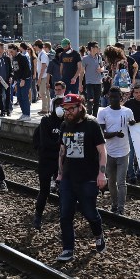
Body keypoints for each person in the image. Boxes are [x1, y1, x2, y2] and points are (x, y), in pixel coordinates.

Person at [55, 94, 107, 262]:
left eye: (71, 109)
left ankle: (98, 236)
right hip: (68, 178)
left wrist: (102, 173)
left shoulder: (92, 125)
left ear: (80, 107)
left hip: (88, 178)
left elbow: (102, 151)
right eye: (65, 109)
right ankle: (68, 249)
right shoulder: (64, 125)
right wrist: (60, 173)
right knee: (65, 215)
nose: (68, 112)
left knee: (90, 213)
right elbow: (62, 152)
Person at [97, 87, 134, 215]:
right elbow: (103, 134)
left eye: (115, 97)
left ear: (121, 97)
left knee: (121, 182)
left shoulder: (128, 112)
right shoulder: (103, 113)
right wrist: (116, 134)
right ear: (108, 97)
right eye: (111, 97)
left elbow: (133, 128)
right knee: (111, 182)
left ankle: (121, 207)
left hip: (124, 152)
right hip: (109, 152)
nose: (113, 99)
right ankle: (114, 203)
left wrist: (133, 125)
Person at [32, 96, 64, 229]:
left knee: (63, 191)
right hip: (47, 160)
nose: (60, 108)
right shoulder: (46, 120)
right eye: (57, 104)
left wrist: (61, 147)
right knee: (44, 190)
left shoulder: (67, 122)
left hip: (61, 161)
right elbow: (46, 142)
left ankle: (64, 218)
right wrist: (61, 146)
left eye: (62, 105)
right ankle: (38, 216)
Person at [82, 41, 104, 117]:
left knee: (97, 101)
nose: (98, 48)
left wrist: (101, 69)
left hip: (98, 82)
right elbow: (82, 72)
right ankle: (89, 114)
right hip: (89, 82)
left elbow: (102, 67)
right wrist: (80, 84)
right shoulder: (85, 58)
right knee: (90, 99)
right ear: (91, 48)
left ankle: (95, 116)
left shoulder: (99, 57)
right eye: (96, 47)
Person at [10, 44, 31, 120]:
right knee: (19, 96)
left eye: (11, 51)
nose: (11, 53)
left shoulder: (22, 57)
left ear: (16, 49)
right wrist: (15, 80)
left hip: (25, 79)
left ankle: (27, 114)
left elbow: (27, 70)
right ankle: (24, 113)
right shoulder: (14, 58)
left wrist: (23, 79)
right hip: (18, 80)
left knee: (24, 96)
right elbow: (15, 70)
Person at [35, 41, 51, 114]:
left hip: (43, 76)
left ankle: (45, 109)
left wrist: (39, 78)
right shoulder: (41, 54)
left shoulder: (43, 55)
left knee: (42, 93)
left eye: (35, 46)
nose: (34, 47)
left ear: (37, 46)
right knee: (46, 93)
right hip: (44, 76)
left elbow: (44, 66)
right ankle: (48, 108)